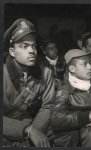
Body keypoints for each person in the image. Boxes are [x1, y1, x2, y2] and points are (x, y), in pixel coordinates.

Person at [3, 18, 55, 147]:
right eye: (24, 46)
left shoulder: (46, 73)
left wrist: (35, 130)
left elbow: (47, 106)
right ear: (12, 51)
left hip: (35, 126)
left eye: (34, 46)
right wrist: (27, 130)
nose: (32, 50)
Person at [50, 49, 91, 147]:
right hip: (84, 133)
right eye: (84, 64)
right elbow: (56, 119)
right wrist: (90, 116)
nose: (90, 67)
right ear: (72, 69)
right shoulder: (65, 90)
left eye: (90, 63)